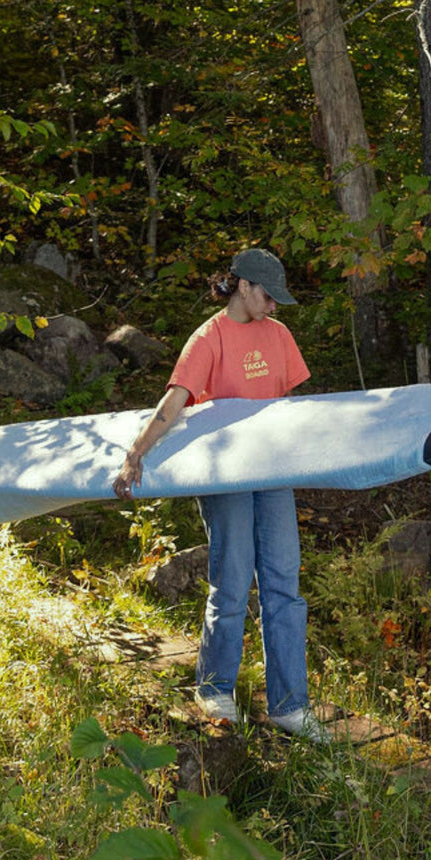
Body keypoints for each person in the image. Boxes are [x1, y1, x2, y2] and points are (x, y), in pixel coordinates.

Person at [113, 248, 329, 742]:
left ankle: (290, 706)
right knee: (231, 581)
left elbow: (288, 408)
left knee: (283, 584)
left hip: (272, 473)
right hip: (226, 475)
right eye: (269, 297)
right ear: (245, 287)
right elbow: (174, 402)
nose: (275, 307)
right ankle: (214, 690)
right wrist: (136, 452)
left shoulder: (280, 336)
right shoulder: (208, 339)